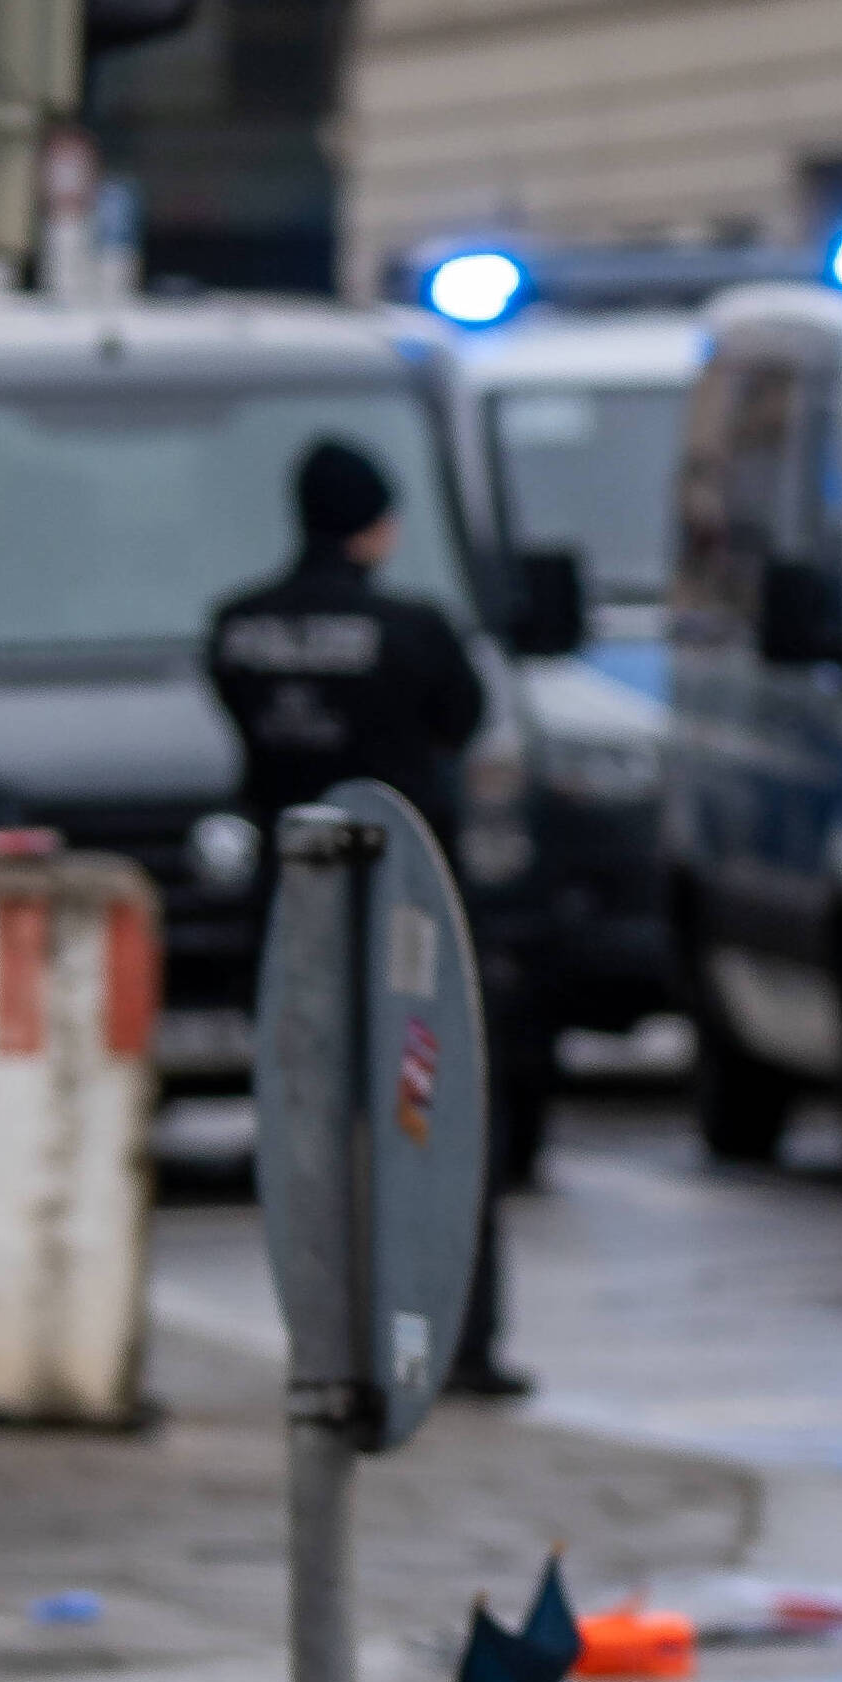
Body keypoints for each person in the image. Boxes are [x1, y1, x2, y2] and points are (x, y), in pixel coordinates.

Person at [203, 437, 531, 1398]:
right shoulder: (413, 630)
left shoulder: (238, 628)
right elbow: (462, 721)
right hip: (407, 925)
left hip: (294, 921)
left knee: (311, 1132)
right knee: (437, 1121)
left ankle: (327, 1338)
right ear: (377, 523)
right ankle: (455, 1342)